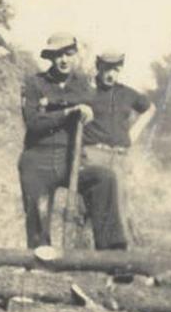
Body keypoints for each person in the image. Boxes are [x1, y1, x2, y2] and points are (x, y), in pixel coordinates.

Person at [17, 33, 127, 250]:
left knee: (104, 179)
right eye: (58, 55)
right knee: (37, 209)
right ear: (50, 58)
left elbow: (88, 102)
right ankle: (41, 255)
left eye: (68, 54)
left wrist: (51, 105)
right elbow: (34, 123)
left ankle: (112, 256)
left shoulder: (82, 84)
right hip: (38, 158)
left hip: (71, 158)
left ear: (75, 55)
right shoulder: (34, 83)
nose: (64, 60)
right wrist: (68, 111)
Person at [82, 51, 155, 245]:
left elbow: (149, 108)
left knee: (120, 203)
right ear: (98, 67)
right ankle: (91, 246)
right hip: (93, 153)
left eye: (115, 69)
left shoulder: (127, 93)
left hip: (120, 157)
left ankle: (119, 252)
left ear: (120, 69)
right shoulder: (87, 91)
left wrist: (132, 134)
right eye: (106, 68)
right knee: (97, 202)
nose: (110, 74)